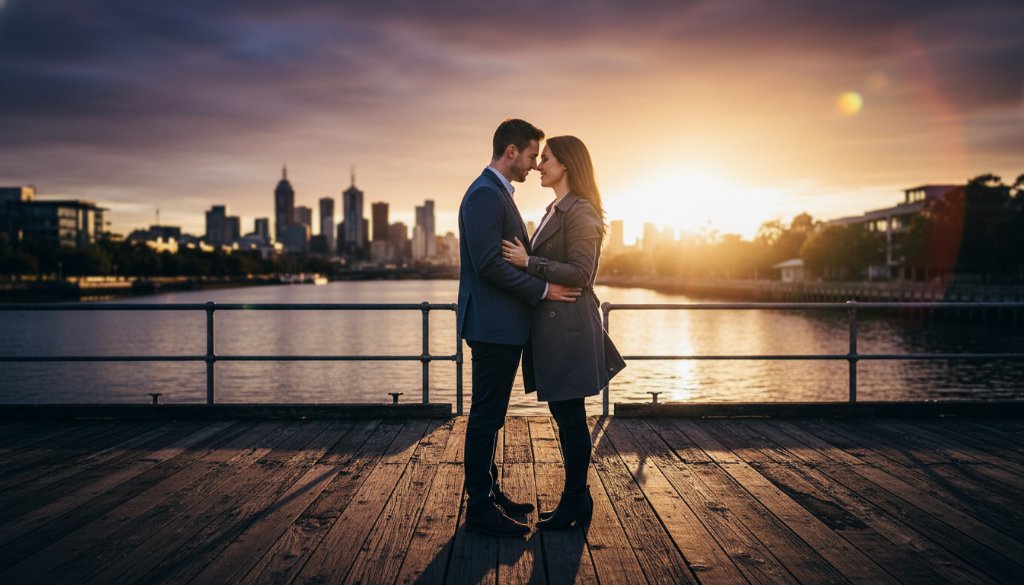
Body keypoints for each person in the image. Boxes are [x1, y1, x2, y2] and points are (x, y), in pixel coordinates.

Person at [457, 118, 583, 537]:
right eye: (532, 155)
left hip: (502, 326)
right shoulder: (484, 196)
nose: (533, 165)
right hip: (493, 326)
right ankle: (478, 508)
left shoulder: (497, 194)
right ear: (511, 152)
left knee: (491, 416)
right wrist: (544, 290)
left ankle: (489, 494)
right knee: (485, 417)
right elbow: (488, 264)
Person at [501, 135, 626, 530]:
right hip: (554, 329)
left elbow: (581, 273)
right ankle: (578, 499)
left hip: (569, 329)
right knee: (565, 415)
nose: (539, 165)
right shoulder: (555, 208)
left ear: (566, 164)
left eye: (547, 159)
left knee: (570, 417)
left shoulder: (581, 211)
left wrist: (528, 261)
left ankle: (575, 501)